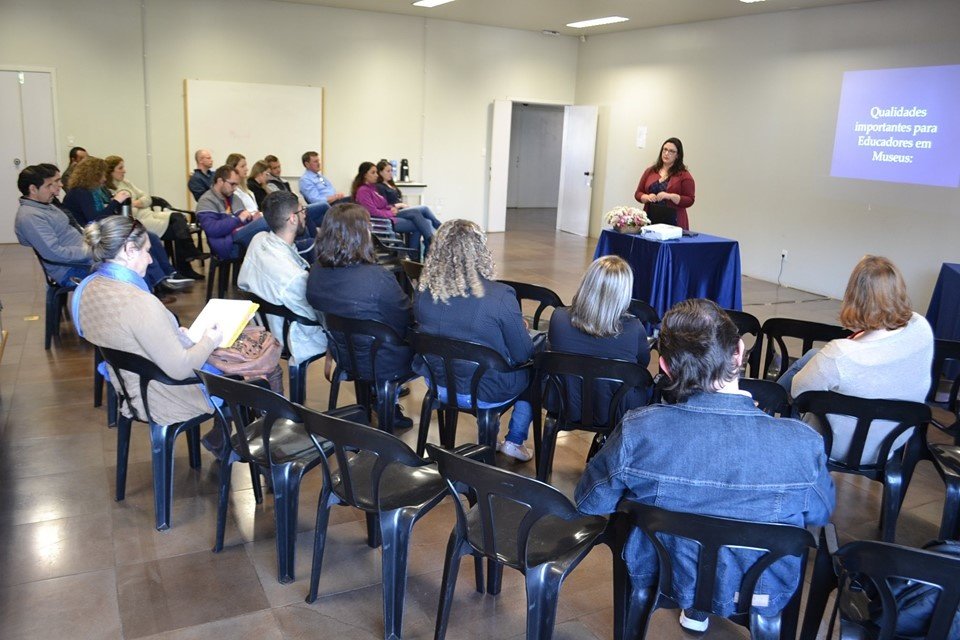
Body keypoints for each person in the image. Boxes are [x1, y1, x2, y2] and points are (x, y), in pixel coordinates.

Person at [575, 298, 835, 633]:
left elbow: (590, 501)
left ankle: (696, 607)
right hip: (762, 589)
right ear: (739, 352)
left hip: (664, 575)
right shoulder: (802, 443)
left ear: (666, 367)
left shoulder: (639, 430)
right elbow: (820, 513)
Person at [782, 255, 934, 465]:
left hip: (837, 445)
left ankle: (761, 410)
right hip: (892, 440)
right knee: (812, 355)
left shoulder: (840, 353)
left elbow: (799, 392)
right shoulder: (921, 327)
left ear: (854, 297)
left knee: (795, 385)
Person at [72, 215, 222, 426]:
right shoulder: (138, 302)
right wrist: (210, 340)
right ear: (130, 250)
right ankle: (232, 440)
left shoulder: (90, 286)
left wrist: (172, 335)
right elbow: (181, 369)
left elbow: (126, 335)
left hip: (131, 387)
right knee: (246, 383)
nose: (151, 260)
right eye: (147, 251)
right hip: (167, 397)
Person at [413, 219, 538, 461]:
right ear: (480, 251)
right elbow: (523, 355)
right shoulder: (500, 296)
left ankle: (494, 437)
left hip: (439, 384)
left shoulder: (423, 292)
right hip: (487, 391)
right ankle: (515, 440)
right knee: (535, 370)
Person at [306, 203, 415, 429]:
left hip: (344, 355)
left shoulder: (315, 272)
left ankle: (380, 398)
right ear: (360, 235)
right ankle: (385, 399)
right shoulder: (377, 278)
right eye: (368, 227)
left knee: (374, 331)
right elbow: (406, 318)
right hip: (383, 361)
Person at [58, 159, 192, 292]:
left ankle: (167, 275)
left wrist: (113, 202)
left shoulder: (94, 192)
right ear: (94, 175)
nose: (104, 178)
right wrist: (115, 201)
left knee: (151, 237)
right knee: (137, 241)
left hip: (103, 230)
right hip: (93, 236)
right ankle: (159, 281)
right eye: (102, 174)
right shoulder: (80, 193)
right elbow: (95, 219)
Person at [547, 255, 651, 424]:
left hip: (565, 405)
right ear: (624, 293)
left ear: (587, 284)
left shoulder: (558, 318)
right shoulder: (633, 328)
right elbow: (642, 365)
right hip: (617, 411)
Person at [238, 191, 327, 367]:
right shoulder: (295, 278)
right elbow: (314, 315)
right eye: (302, 210)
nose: (305, 215)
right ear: (292, 218)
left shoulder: (257, 240)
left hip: (262, 326)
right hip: (291, 337)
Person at [104, 155, 204, 279]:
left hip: (149, 214)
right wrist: (139, 203)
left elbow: (147, 198)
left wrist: (135, 203)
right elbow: (128, 211)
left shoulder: (126, 182)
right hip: (140, 221)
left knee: (178, 217)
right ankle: (186, 262)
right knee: (178, 231)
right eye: (120, 168)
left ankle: (186, 258)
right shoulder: (109, 190)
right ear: (111, 171)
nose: (124, 171)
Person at [352, 161, 436, 255]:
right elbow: (372, 212)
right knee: (420, 221)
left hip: (389, 218)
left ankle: (418, 254)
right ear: (364, 175)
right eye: (373, 173)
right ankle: (429, 246)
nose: (376, 175)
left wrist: (391, 207)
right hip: (383, 223)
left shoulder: (372, 188)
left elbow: (383, 205)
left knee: (423, 221)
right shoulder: (363, 191)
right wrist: (390, 212)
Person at [195, 165, 268, 260]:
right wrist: (238, 219)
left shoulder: (234, 197)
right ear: (220, 181)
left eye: (237, 185)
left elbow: (243, 219)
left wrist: (251, 219)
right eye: (232, 184)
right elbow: (212, 230)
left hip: (237, 236)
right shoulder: (206, 201)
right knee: (266, 223)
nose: (235, 188)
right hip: (226, 244)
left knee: (269, 222)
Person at [634, 137, 695, 230]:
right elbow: (638, 193)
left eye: (671, 151)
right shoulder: (650, 171)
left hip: (673, 221)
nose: (666, 153)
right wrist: (647, 197)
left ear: (678, 155)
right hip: (650, 218)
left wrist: (670, 196)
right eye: (665, 149)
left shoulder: (684, 175)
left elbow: (690, 200)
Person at [375, 159, 441, 230]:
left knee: (427, 221)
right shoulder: (379, 186)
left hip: (402, 209)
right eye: (388, 171)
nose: (391, 173)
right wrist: (400, 205)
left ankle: (437, 232)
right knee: (424, 208)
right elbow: (384, 205)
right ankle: (440, 227)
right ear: (380, 172)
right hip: (394, 211)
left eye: (391, 171)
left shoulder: (390, 184)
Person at [299, 150, 348, 225]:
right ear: (307, 164)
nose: (319, 163)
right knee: (351, 206)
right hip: (324, 208)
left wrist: (337, 196)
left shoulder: (320, 177)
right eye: (315, 161)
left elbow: (331, 191)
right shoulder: (305, 180)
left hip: (333, 203)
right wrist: (335, 197)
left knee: (353, 201)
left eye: (318, 161)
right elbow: (316, 200)